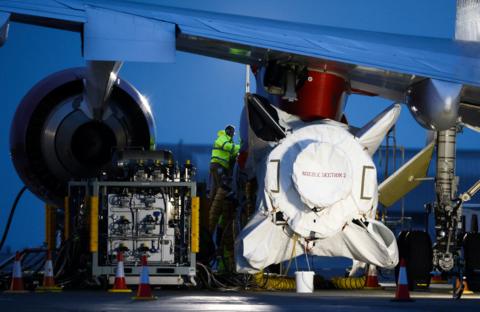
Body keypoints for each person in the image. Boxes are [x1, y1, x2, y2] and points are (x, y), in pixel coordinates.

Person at [208, 125, 240, 272]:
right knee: (217, 190)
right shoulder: (222, 137)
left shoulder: (227, 139)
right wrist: (241, 147)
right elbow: (230, 149)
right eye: (231, 131)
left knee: (217, 192)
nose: (232, 133)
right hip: (218, 166)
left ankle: (225, 267)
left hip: (221, 168)